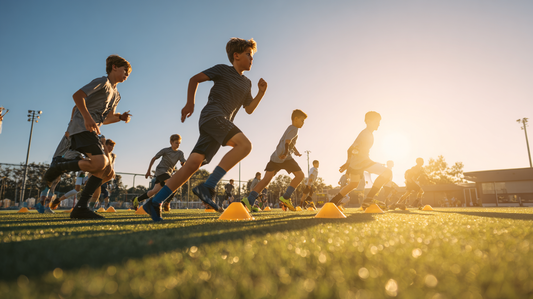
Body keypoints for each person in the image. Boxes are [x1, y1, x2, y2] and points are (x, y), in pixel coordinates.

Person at [141, 37, 267, 222]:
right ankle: (208, 186)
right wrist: (190, 103)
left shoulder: (247, 83)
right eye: (249, 54)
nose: (252, 58)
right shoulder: (223, 70)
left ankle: (155, 202)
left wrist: (261, 93)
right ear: (236, 55)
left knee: (192, 165)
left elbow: (249, 109)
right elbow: (195, 79)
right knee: (245, 146)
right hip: (213, 116)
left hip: (218, 124)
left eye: (252, 55)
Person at [42, 55, 132, 219]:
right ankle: (60, 166)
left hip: (91, 130)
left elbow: (106, 118)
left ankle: (81, 208)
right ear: (114, 67)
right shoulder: (102, 82)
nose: (127, 74)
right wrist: (87, 117)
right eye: (125, 70)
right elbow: (77, 96)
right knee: (102, 163)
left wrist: (120, 117)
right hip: (81, 127)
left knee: (107, 171)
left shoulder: (116, 95)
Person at [242, 109, 307, 212]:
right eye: (302, 120)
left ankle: (249, 200)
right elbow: (287, 142)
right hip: (284, 158)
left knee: (266, 180)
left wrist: (296, 151)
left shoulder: (290, 128)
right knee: (300, 175)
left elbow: (290, 143)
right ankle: (285, 197)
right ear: (295, 119)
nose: (303, 123)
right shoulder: (294, 128)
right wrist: (286, 153)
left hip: (275, 157)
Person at [328, 111, 393, 209]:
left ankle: (332, 202)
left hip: (357, 163)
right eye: (377, 121)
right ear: (368, 121)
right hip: (362, 162)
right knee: (387, 172)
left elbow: (352, 150)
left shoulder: (369, 134)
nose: (379, 124)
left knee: (353, 184)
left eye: (379, 121)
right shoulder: (365, 133)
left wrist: (349, 163)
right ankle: (369, 199)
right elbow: (350, 149)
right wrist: (348, 162)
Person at [133, 134, 186, 212]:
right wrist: (148, 170)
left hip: (168, 173)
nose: (178, 145)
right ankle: (166, 203)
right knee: (173, 185)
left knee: (154, 191)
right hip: (161, 171)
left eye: (179, 143)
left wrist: (183, 165)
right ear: (171, 142)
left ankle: (137, 200)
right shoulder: (165, 150)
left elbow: (183, 162)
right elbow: (154, 158)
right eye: (176, 143)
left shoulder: (180, 153)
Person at [89, 138, 117, 210]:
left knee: (96, 194)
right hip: (95, 174)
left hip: (101, 176)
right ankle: (87, 207)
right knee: (95, 193)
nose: (112, 148)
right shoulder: (101, 152)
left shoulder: (112, 156)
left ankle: (90, 208)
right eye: (110, 146)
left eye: (113, 147)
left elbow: (110, 166)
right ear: (105, 145)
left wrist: (112, 173)